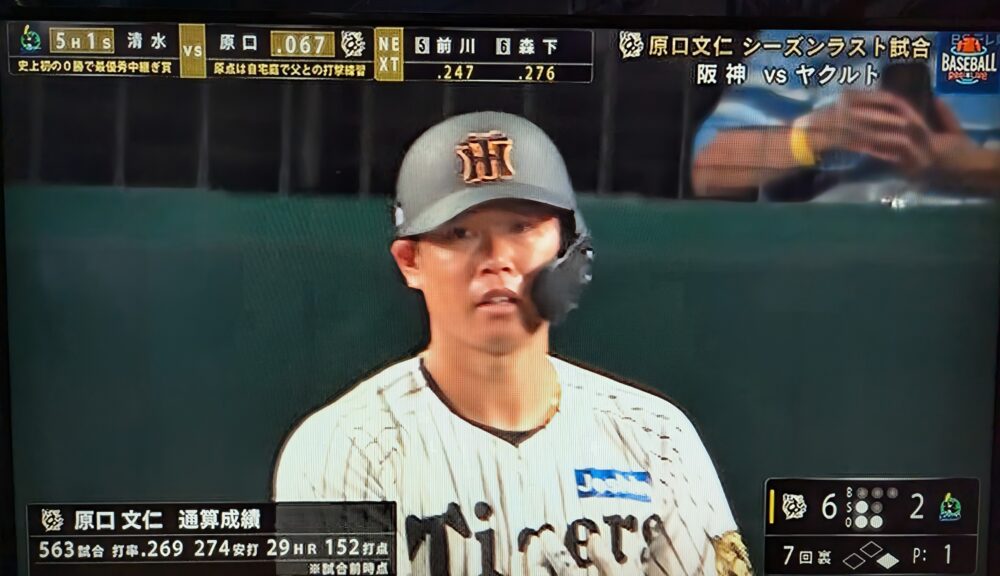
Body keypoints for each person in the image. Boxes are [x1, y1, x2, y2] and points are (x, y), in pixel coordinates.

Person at [273, 111, 751, 575]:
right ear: (410, 261)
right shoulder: (342, 446)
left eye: (520, 227)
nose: (496, 258)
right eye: (460, 232)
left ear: (569, 249)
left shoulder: (658, 438)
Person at [691, 31, 1000, 201]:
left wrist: (968, 166)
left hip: (965, 254)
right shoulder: (795, 38)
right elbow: (707, 172)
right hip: (818, 261)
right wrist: (812, 138)